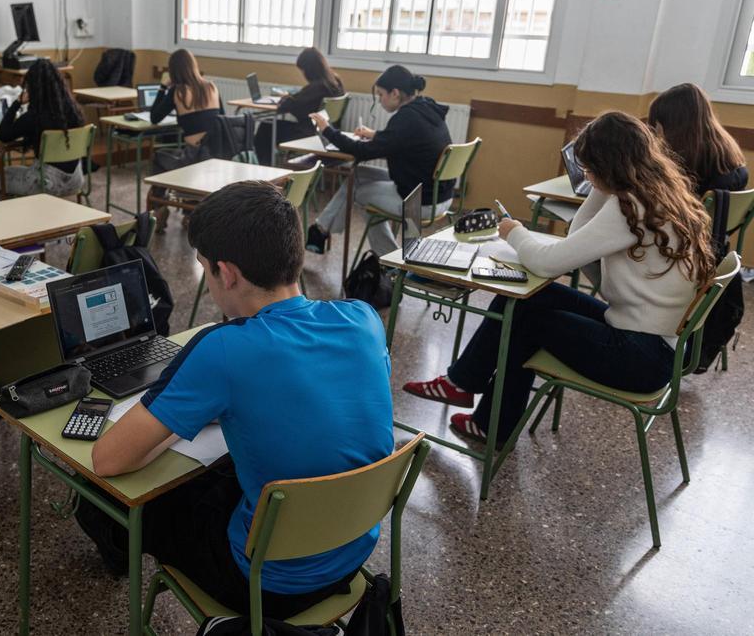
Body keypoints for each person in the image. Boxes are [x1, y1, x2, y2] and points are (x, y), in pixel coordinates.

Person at [74, 182, 394, 618]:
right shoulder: (362, 318)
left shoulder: (222, 349)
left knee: (118, 496)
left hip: (265, 583)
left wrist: (179, 421)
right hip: (351, 553)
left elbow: (109, 460)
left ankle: (115, 559)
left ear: (226, 273)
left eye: (204, 269)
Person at [402, 112, 715, 447]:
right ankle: (467, 390)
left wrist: (514, 232)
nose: (587, 176)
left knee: (525, 321)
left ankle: (478, 405)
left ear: (609, 166)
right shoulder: (654, 193)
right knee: (528, 299)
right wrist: (601, 188)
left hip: (641, 355)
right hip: (650, 338)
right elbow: (577, 236)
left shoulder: (629, 207)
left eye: (591, 169)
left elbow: (549, 262)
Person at [306, 65, 453, 256]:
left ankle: (387, 257)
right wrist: (375, 135)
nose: (380, 100)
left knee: (358, 191)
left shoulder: (406, 119)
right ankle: (321, 229)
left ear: (395, 93)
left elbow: (361, 152)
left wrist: (327, 130)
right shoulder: (426, 108)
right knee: (357, 174)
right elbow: (404, 139)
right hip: (437, 194)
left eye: (381, 94)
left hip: (418, 201)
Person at [0, 58, 87, 202]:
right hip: (75, 181)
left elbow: (4, 134)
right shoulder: (73, 113)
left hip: (45, 184)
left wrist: (17, 103)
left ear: (33, 88)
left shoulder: (34, 117)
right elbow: (53, 143)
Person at [146, 48, 225, 227]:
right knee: (178, 157)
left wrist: (162, 87)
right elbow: (221, 119)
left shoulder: (178, 91)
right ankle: (189, 210)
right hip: (214, 156)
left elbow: (154, 117)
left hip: (192, 159)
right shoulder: (212, 87)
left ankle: (160, 208)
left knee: (160, 156)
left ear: (173, 72)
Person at [648, 82, 748, 195]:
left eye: (657, 124)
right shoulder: (725, 148)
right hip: (725, 212)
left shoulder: (686, 160)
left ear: (671, 125)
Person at [254, 47, 344, 165]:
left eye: (302, 70)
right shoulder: (334, 82)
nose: (302, 74)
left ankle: (265, 167)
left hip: (307, 134)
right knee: (270, 126)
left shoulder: (317, 87)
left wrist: (286, 97)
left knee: (266, 127)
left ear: (308, 69)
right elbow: (301, 102)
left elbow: (288, 106)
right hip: (325, 133)